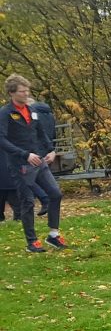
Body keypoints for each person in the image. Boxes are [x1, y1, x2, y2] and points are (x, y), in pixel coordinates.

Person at [0, 74, 65, 252]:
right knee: (27, 201)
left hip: (39, 161)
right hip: (20, 164)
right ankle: (32, 242)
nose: (26, 93)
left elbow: (41, 133)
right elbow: (2, 140)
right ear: (12, 93)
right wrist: (25, 154)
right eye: (22, 91)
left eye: (27, 90)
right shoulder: (5, 113)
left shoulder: (32, 111)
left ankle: (53, 235)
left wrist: (51, 150)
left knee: (55, 194)